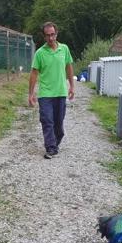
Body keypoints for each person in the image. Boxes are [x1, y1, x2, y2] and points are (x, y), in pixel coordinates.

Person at [28, 22, 75, 159]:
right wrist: (30, 94)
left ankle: (55, 142)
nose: (50, 38)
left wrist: (72, 86)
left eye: (52, 34)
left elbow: (69, 67)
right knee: (47, 121)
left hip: (61, 92)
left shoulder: (64, 49)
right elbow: (34, 74)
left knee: (59, 125)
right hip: (45, 95)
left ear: (56, 34)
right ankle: (51, 148)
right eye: (47, 35)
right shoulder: (40, 53)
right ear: (44, 37)